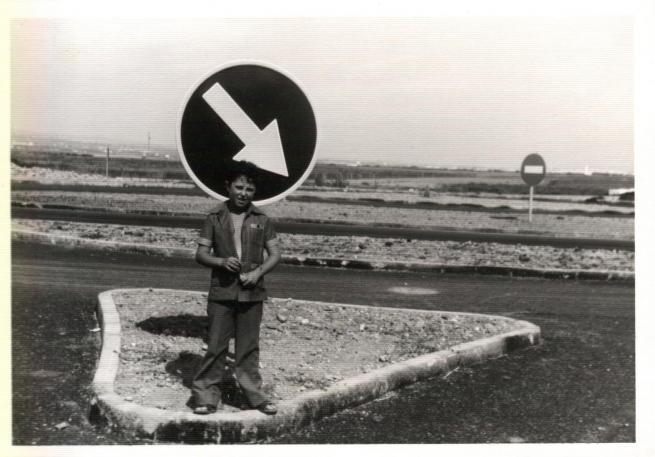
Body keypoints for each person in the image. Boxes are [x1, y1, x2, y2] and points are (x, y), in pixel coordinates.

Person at [191, 161, 281, 415]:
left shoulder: (263, 219)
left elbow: (275, 254)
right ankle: (206, 396)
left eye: (249, 189)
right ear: (228, 187)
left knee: (248, 348)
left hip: (252, 293)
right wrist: (220, 262)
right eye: (239, 187)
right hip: (222, 291)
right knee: (216, 346)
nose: (243, 193)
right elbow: (201, 254)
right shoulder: (214, 217)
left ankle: (255, 396)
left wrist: (257, 273)